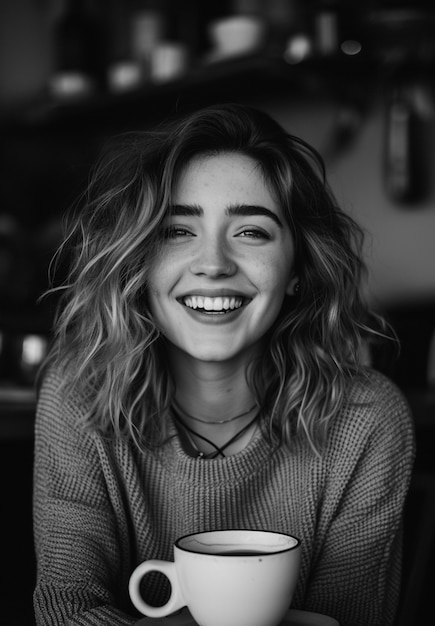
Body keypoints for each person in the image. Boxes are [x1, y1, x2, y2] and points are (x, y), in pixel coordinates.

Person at [33, 103, 415, 626]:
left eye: (251, 232)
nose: (213, 264)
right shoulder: (79, 393)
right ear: (139, 264)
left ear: (298, 268)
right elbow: (67, 610)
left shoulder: (367, 418)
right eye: (177, 231)